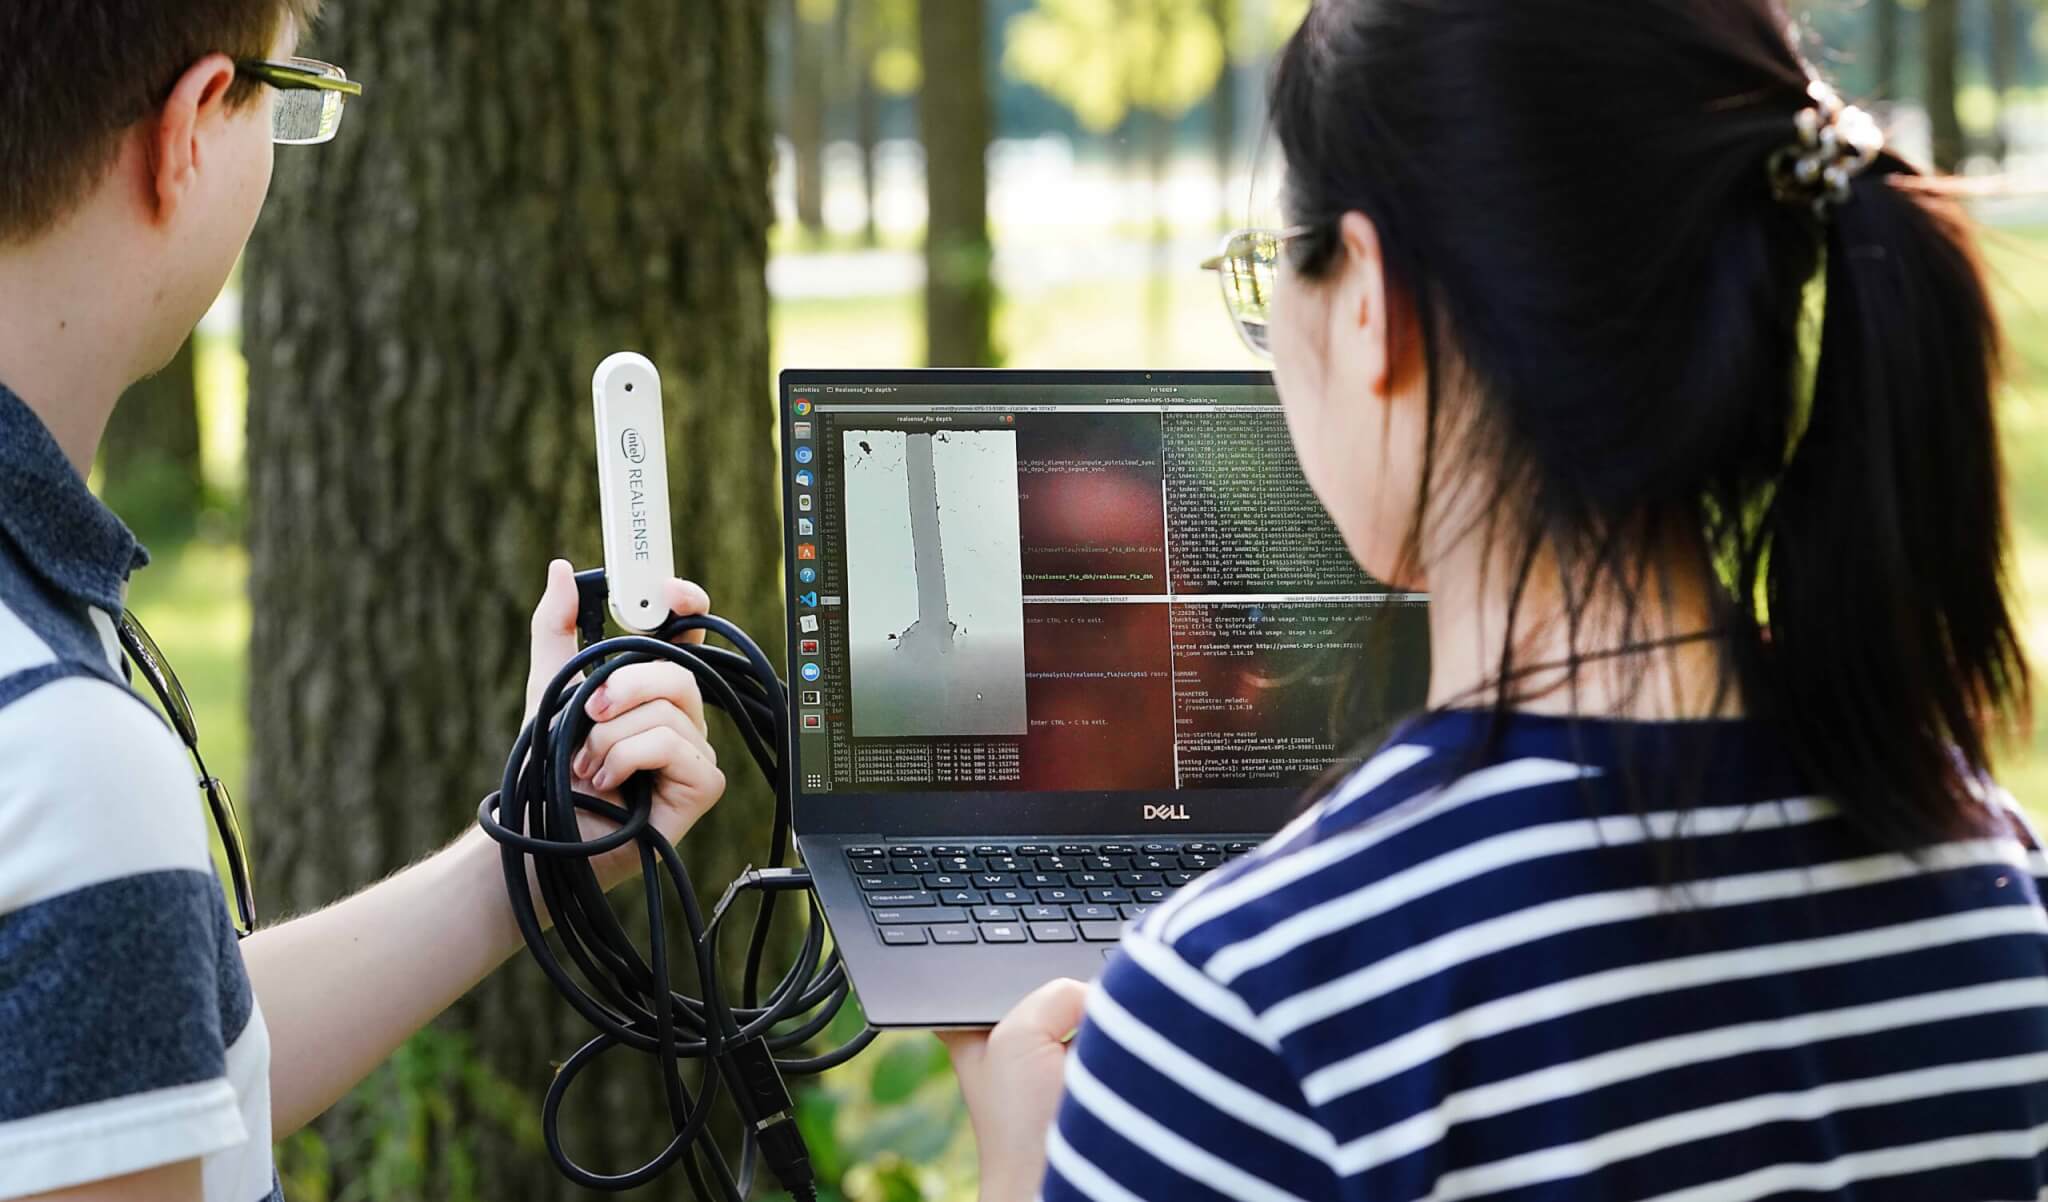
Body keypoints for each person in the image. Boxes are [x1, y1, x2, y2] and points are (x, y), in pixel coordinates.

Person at [942, 1, 2044, 1199]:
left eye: (1274, 277)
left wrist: (1031, 1160)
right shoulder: (1993, 891)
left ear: (1366, 301)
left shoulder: (1244, 1007)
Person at [0, 4, 729, 1199]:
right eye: (283, 100)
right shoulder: (67, 761)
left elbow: (129, 1066)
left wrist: (525, 857)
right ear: (188, 129)